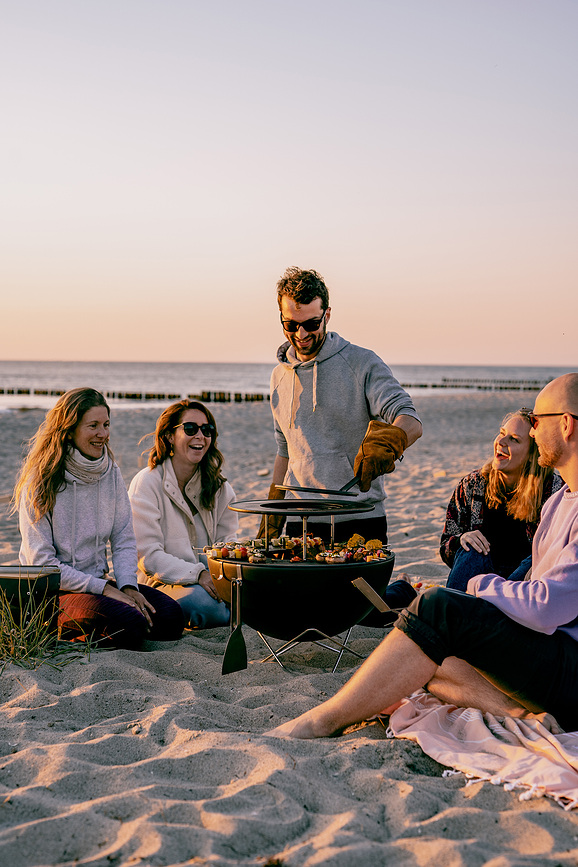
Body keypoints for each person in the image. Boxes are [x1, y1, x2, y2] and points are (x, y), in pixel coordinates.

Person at [268, 373, 578, 738]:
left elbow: (545, 607)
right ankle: (521, 713)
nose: (534, 431)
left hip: (568, 666)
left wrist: (481, 587)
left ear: (566, 425)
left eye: (537, 422)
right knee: (426, 654)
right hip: (545, 646)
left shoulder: (558, 497)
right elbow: (523, 579)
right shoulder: (559, 500)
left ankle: (323, 721)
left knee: (436, 609)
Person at [263, 266, 422, 547]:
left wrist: (392, 441)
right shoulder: (278, 377)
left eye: (312, 324)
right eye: (291, 325)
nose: (301, 333)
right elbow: (285, 451)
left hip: (359, 516)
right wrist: (272, 515)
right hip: (300, 520)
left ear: (327, 316)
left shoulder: (361, 363)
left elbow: (409, 419)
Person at [14, 388, 184, 649]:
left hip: (98, 583)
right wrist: (104, 589)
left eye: (106, 425)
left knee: (171, 618)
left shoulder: (110, 473)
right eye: (93, 425)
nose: (103, 434)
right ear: (68, 430)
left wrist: (128, 587)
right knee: (130, 624)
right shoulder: (40, 481)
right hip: (54, 593)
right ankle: (59, 631)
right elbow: (42, 564)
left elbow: (123, 537)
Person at [128, 400, 238, 629]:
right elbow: (148, 557)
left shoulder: (220, 487)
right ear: (170, 436)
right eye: (190, 429)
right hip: (161, 583)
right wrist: (198, 574)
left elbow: (227, 545)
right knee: (204, 604)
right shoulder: (147, 482)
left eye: (207, 430)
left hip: (214, 581)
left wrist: (224, 579)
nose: (200, 436)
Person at [441, 409, 563, 591]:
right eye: (502, 433)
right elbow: (445, 546)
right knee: (472, 550)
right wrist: (461, 540)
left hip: (523, 585)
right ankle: (452, 604)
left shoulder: (554, 491)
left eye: (514, 439)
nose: (501, 442)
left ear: (532, 455)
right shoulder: (472, 485)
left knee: (537, 557)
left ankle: (497, 600)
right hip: (479, 579)